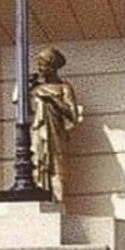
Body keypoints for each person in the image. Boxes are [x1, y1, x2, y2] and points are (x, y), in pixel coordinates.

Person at [31, 46, 82, 204]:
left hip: (56, 135)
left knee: (57, 169)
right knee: (37, 164)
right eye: (39, 64)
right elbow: (18, 103)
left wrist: (53, 101)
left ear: (53, 67)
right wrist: (24, 84)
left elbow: (72, 115)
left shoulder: (64, 88)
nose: (40, 68)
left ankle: (58, 202)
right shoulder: (35, 88)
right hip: (37, 135)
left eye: (44, 64)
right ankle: (41, 196)